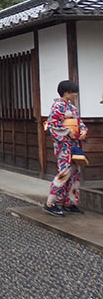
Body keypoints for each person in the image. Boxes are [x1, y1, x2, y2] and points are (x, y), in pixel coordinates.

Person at [43, 80, 88, 217]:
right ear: (66, 92)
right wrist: (68, 131)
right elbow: (51, 124)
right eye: (73, 92)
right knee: (64, 173)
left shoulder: (72, 108)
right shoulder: (57, 106)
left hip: (74, 145)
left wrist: (83, 131)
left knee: (75, 173)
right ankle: (50, 203)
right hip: (64, 146)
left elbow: (79, 123)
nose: (75, 95)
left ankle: (70, 202)